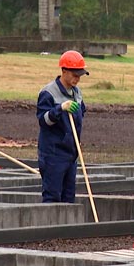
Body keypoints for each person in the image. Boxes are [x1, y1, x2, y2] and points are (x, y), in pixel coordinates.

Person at [37, 50, 89, 203]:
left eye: (79, 76)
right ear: (64, 71)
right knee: (52, 197)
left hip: (71, 154)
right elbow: (43, 120)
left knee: (68, 198)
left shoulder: (77, 93)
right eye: (74, 75)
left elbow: (81, 114)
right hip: (53, 154)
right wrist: (60, 109)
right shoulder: (48, 93)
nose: (77, 79)